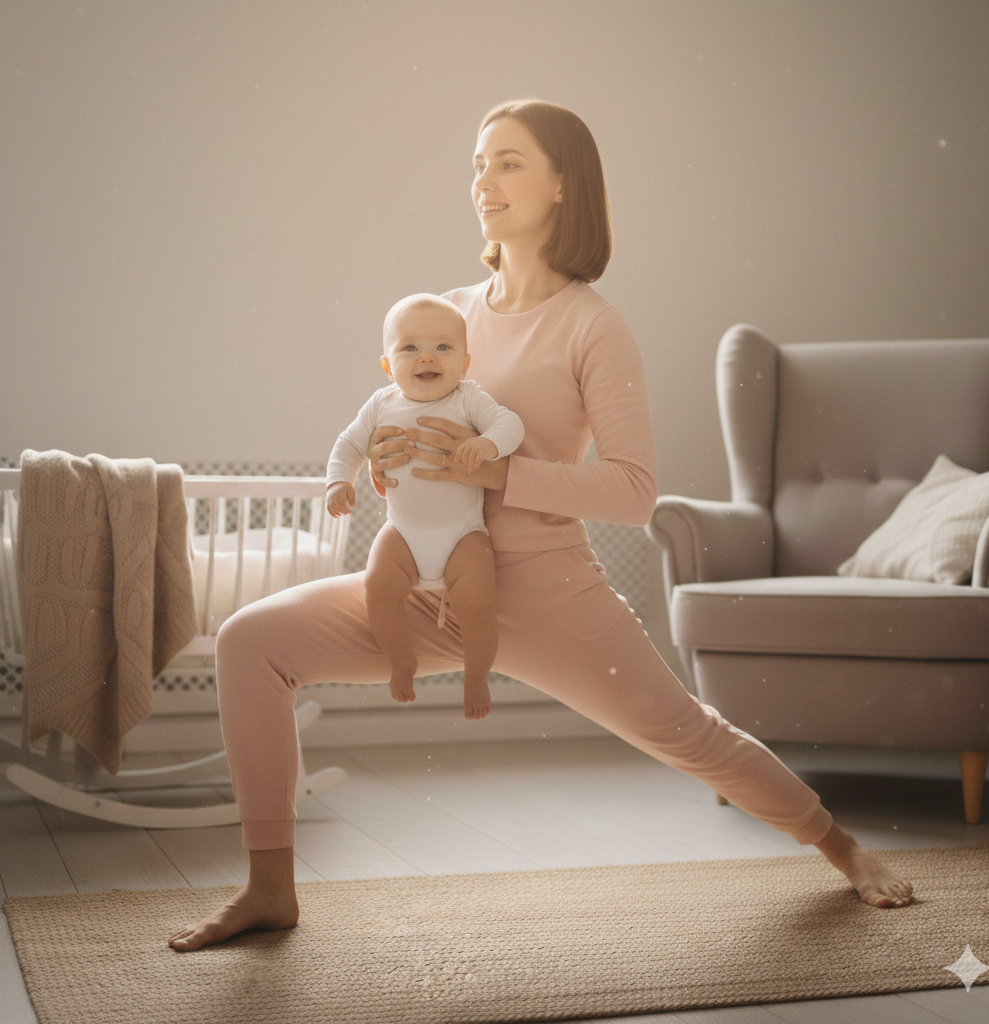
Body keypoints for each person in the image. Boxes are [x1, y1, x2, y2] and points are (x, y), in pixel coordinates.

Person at [169, 99, 913, 953]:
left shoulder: (595, 325)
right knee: (248, 642)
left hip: (545, 591)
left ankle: (842, 847)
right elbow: (391, 420)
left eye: (509, 162)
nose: (484, 181)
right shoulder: (446, 314)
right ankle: (270, 890)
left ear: (564, 183)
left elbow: (634, 493)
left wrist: (501, 472)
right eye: (478, 164)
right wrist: (384, 462)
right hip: (422, 586)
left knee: (685, 733)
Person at [325, 293, 525, 720]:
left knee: (478, 604)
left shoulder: (468, 400)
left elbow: (511, 424)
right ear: (387, 365)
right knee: (378, 587)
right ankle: (401, 660)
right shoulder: (381, 404)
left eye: (443, 347)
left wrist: (486, 443)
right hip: (402, 533)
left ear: (465, 363)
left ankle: (475, 676)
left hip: (463, 534)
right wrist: (339, 481)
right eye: (410, 348)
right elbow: (349, 444)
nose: (426, 358)